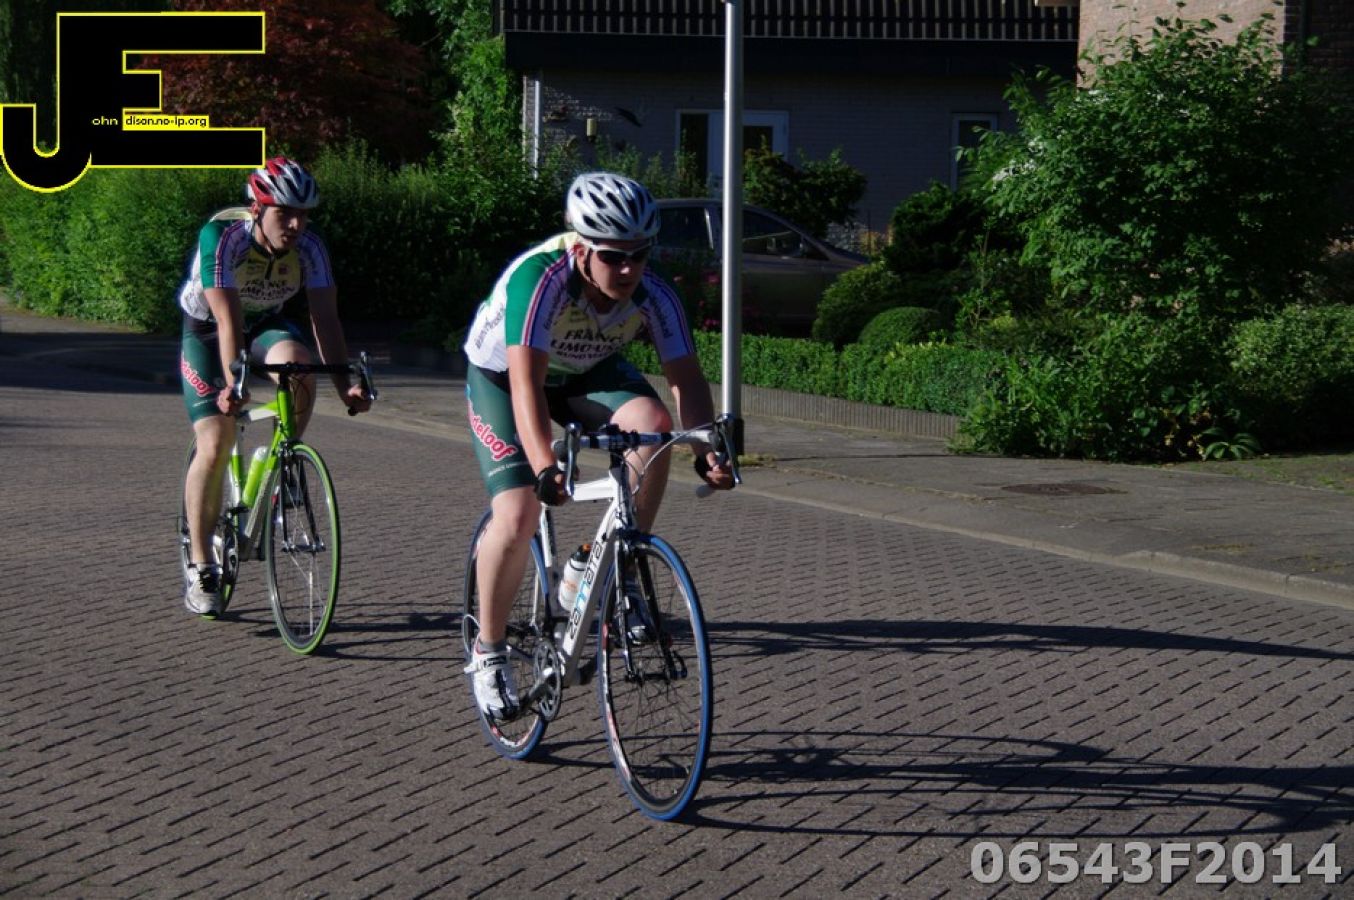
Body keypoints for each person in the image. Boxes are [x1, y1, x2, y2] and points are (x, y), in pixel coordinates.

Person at [461, 171, 735, 719]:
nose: (629, 269)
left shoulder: (655, 292)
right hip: (505, 379)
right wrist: (544, 466)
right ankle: (488, 652)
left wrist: (707, 449)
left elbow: (685, 376)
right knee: (518, 514)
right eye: (613, 257)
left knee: (654, 427)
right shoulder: (540, 280)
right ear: (582, 249)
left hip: (587, 372)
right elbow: (526, 385)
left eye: (640, 255)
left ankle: (610, 568)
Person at [178, 156, 370, 617]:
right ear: (257, 209)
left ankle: (286, 460)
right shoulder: (222, 238)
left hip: (264, 323)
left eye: (303, 215)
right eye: (284, 213)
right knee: (217, 439)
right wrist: (234, 384)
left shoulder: (310, 248)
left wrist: (345, 385)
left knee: (300, 367)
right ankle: (202, 563)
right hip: (209, 331)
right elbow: (227, 320)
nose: (296, 225)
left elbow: (325, 320)